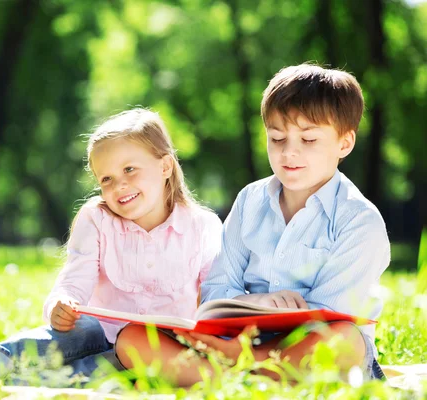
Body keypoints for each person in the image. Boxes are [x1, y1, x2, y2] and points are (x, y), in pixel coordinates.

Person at [114, 64, 390, 386]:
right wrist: (254, 304)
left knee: (344, 340)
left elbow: (332, 315)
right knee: (133, 338)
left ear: (344, 143)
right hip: (241, 339)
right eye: (277, 138)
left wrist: (236, 350)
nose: (289, 152)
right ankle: (256, 374)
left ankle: (231, 371)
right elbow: (218, 288)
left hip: (311, 347)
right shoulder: (250, 200)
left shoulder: (359, 220)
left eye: (309, 139)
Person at [0, 108, 222, 385]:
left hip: (157, 348)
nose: (119, 185)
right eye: (106, 179)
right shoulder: (96, 219)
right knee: (81, 330)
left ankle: (30, 382)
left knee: (112, 373)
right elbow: (74, 281)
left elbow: (214, 298)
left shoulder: (203, 227)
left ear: (165, 166)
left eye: (129, 169)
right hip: (100, 333)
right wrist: (61, 303)